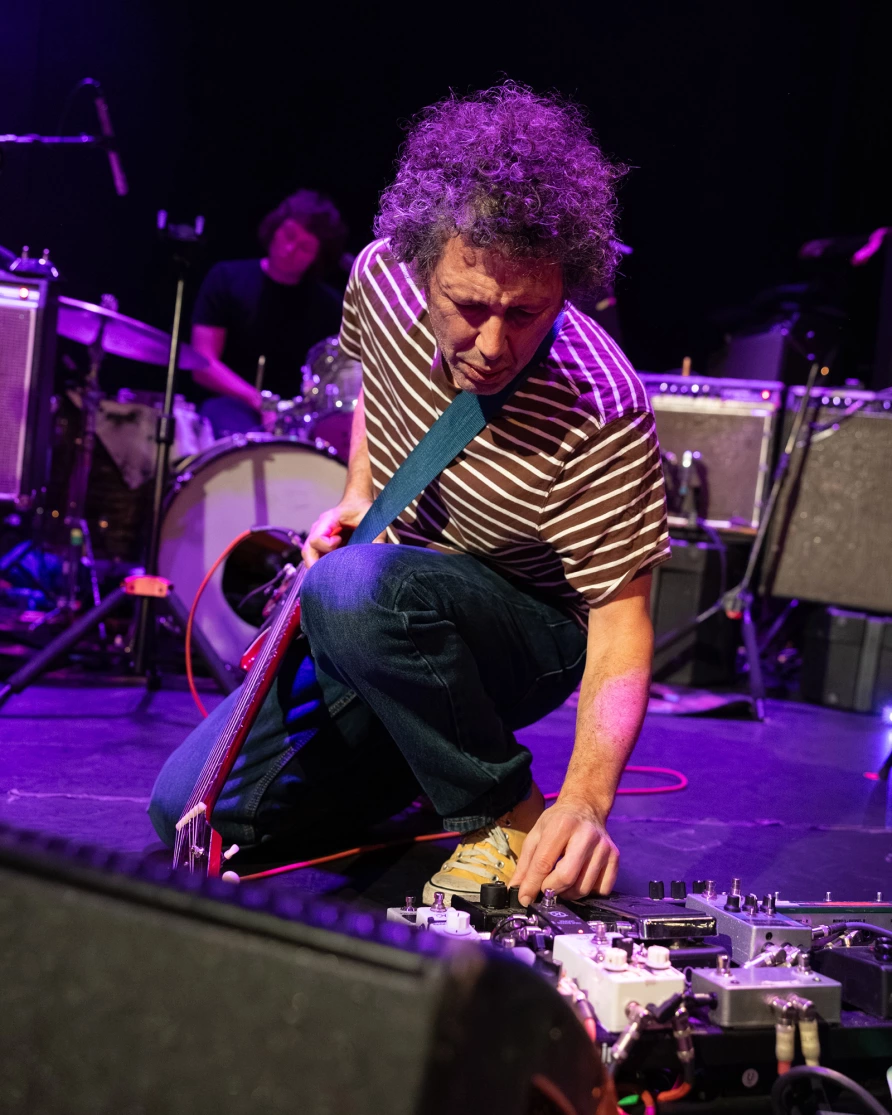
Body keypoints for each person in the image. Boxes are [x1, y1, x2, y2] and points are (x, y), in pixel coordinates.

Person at [150, 83, 669, 908]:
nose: (494, 345)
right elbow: (377, 392)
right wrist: (362, 493)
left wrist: (585, 800)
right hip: (389, 601)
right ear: (421, 264)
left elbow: (621, 621)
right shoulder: (376, 280)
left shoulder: (603, 401)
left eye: (527, 313)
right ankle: (416, 758)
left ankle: (506, 815)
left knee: (352, 590)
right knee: (192, 810)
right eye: (468, 306)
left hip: (523, 632)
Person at [190, 189, 347, 436]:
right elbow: (202, 363)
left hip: (298, 419)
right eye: (288, 235)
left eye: (304, 247)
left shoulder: (329, 305)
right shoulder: (227, 278)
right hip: (230, 404)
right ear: (274, 229)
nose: (289, 249)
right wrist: (259, 401)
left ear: (318, 257)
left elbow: (334, 378)